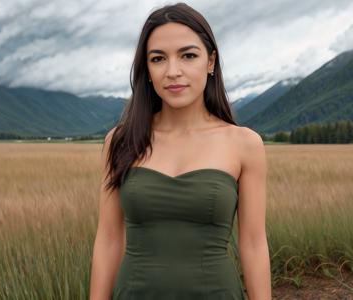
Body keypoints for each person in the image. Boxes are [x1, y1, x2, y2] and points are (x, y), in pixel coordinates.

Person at [89, 2, 271, 299]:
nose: (173, 71)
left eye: (188, 55)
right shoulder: (121, 140)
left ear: (211, 62)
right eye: (158, 58)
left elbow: (253, 243)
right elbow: (109, 239)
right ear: (146, 69)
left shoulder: (244, 144)